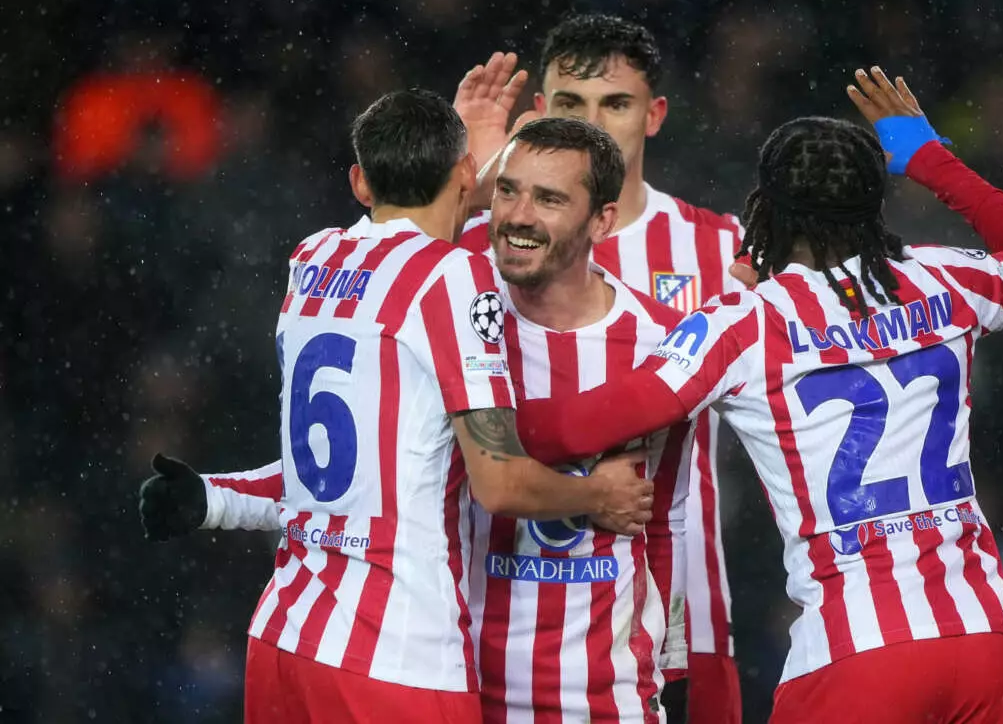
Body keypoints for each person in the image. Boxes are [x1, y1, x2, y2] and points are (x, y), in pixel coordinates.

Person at [512, 68, 1003, 723]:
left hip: (856, 649)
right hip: (977, 633)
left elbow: (581, 426)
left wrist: (469, 409)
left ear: (768, 209)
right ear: (874, 203)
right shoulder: (944, 278)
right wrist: (929, 159)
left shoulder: (746, 322)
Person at [138, 89, 654, 724]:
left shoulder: (313, 259)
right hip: (395, 656)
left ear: (360, 181)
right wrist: (597, 496)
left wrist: (213, 498)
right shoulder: (451, 277)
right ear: (466, 174)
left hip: (284, 639)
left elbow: (336, 473)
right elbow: (499, 483)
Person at [454, 14, 745, 722]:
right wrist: (471, 180)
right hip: (490, 604)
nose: (594, 123)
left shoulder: (720, 249)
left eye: (615, 103)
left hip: (677, 585)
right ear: (539, 112)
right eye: (570, 103)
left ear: (654, 115)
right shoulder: (478, 250)